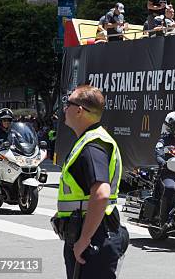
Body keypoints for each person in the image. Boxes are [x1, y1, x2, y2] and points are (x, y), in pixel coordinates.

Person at [55, 85, 128, 279]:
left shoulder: (92, 145)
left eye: (67, 103)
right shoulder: (89, 140)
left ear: (79, 110)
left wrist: (84, 240)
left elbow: (101, 193)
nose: (64, 108)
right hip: (95, 233)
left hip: (94, 237)